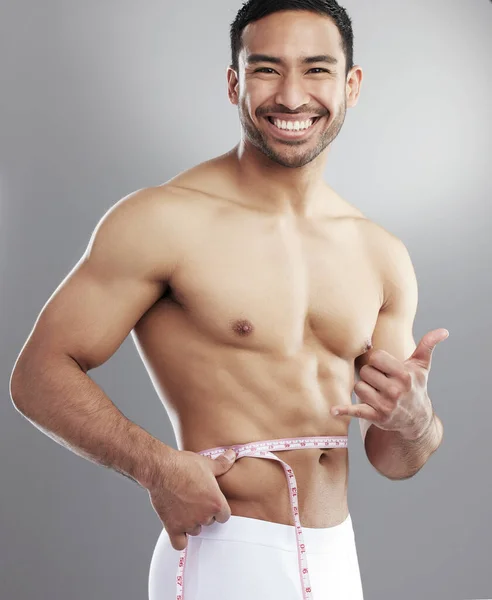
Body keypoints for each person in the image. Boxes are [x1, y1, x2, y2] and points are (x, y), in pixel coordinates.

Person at [10, 1, 446, 599]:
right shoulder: (164, 220)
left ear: (352, 84)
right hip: (224, 549)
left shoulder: (380, 253)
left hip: (337, 558)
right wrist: (156, 468)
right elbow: (36, 374)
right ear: (234, 83)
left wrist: (417, 423)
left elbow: (392, 459)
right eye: (267, 69)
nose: (292, 97)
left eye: (316, 70)